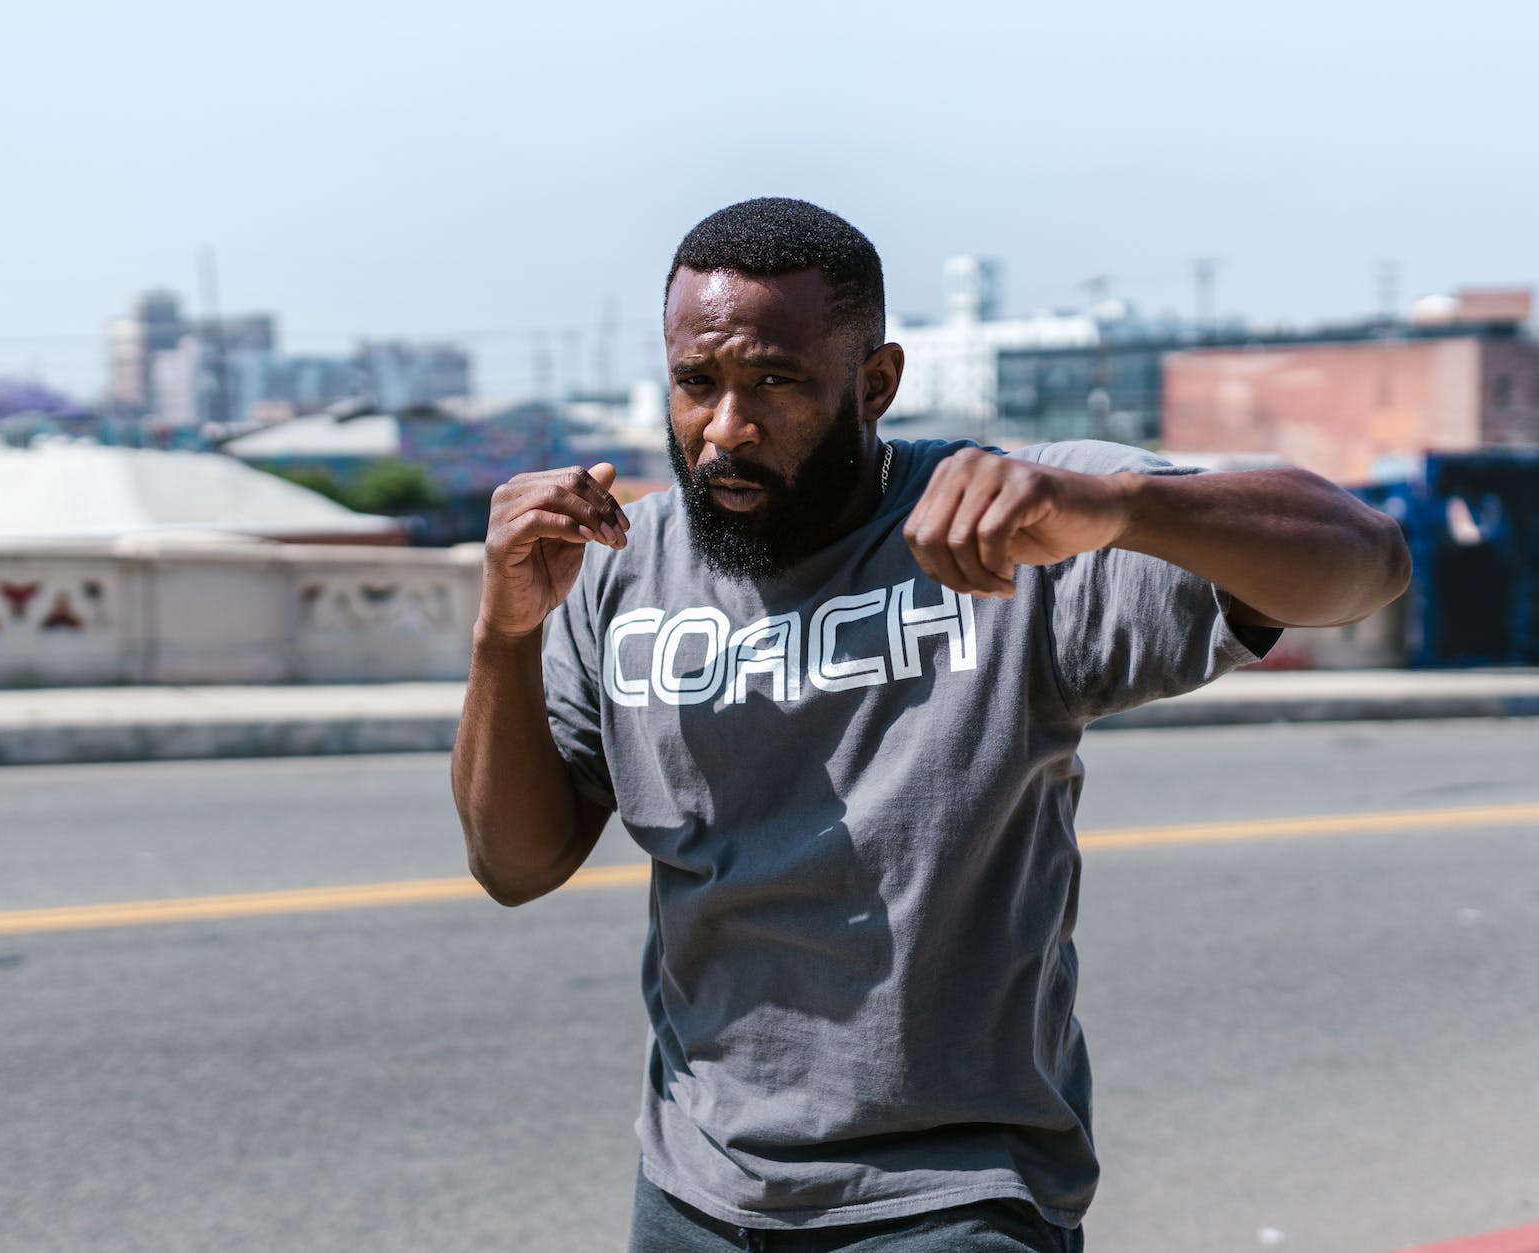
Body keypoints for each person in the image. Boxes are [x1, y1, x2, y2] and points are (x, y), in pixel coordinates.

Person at [451, 198, 1410, 1251]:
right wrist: (506, 632)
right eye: (696, 383)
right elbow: (516, 862)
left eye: (774, 379)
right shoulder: (623, 568)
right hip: (694, 1193)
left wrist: (1123, 507)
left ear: (873, 384)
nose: (726, 426)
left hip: (953, 1197)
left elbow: (1364, 561)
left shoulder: (1010, 521)